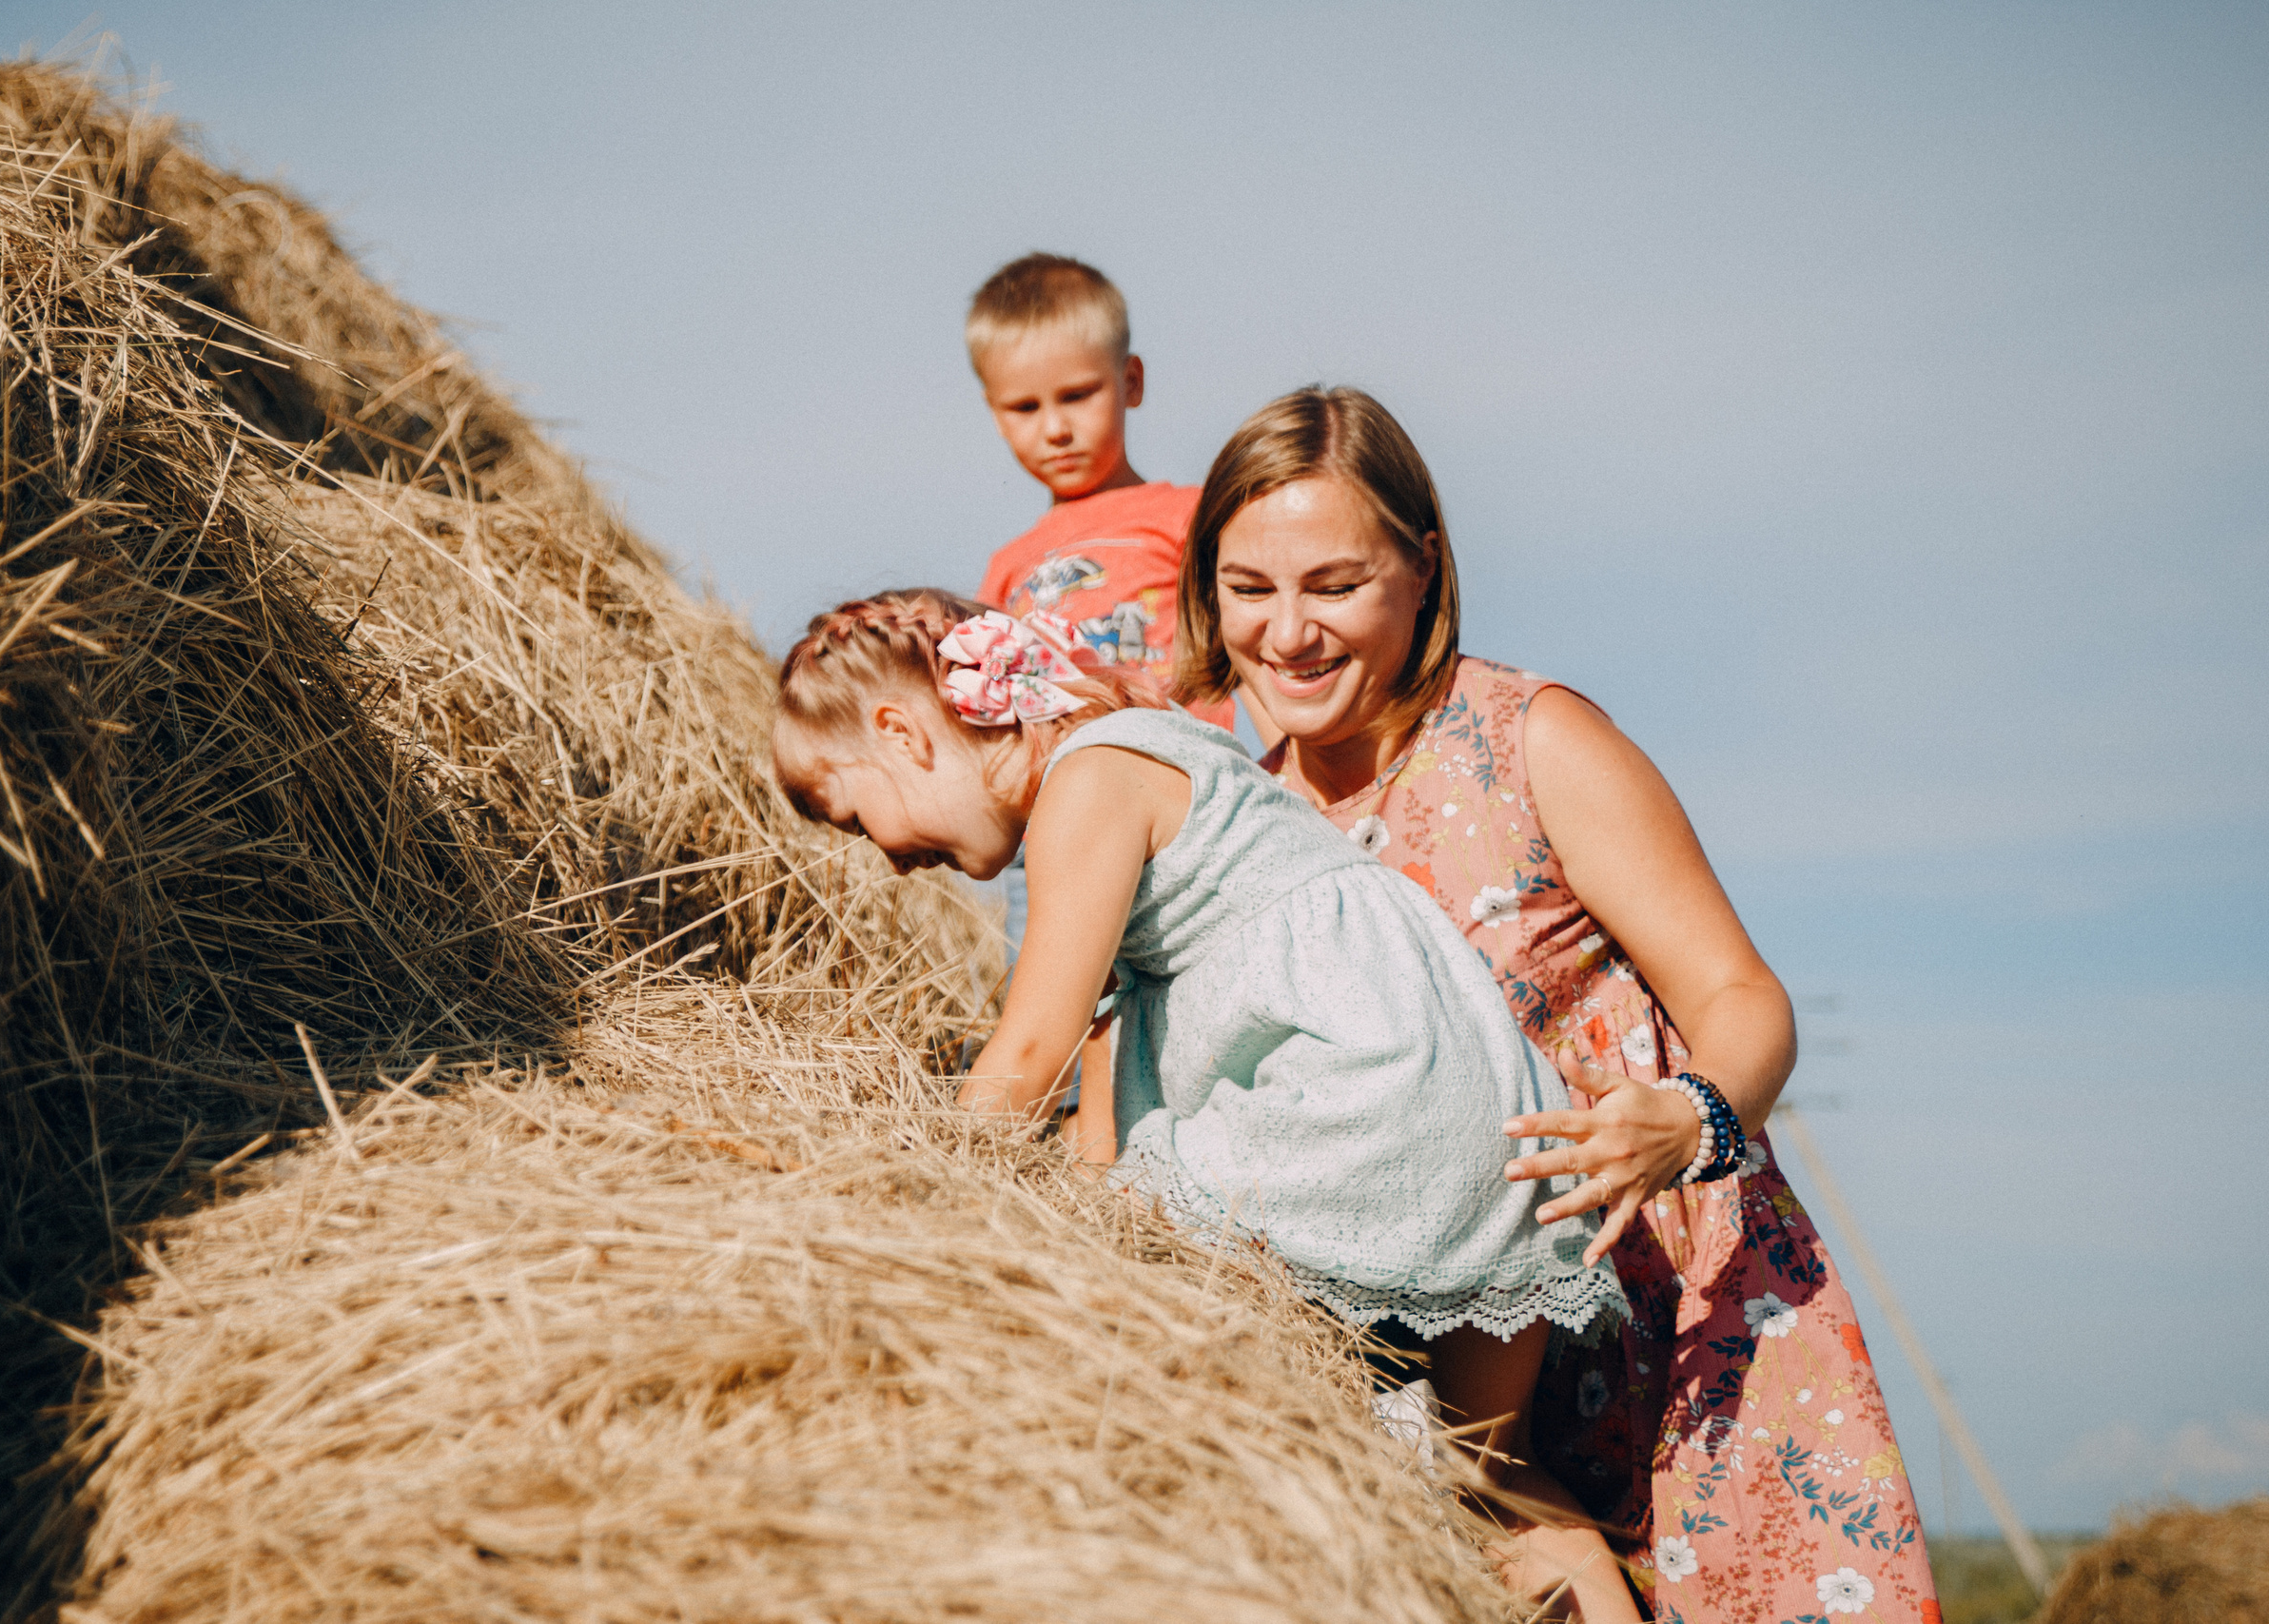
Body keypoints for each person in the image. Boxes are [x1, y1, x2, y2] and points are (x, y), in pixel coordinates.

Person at [1170, 385, 1940, 1621]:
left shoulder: (1532, 738)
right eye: (1249, 586)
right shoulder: (1237, 823)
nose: (1289, 630)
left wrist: (1688, 1117)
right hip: (1444, 1370)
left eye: (1335, 582)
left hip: (1675, 1316)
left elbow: (1743, 995)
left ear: (1423, 568)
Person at [772, 589, 1640, 1621]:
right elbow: (1105, 1053)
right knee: (1487, 1469)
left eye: (851, 813)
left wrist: (913, 1200)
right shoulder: (1146, 752)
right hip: (1478, 1112)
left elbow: (1035, 1046)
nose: (881, 855)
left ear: (902, 733)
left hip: (1356, 1103)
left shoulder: (1086, 788)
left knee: (1173, 1350)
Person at [964, 253, 1259, 1158]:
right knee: (1070, 989)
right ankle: (1086, 1181)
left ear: (1129, 382)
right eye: (1025, 408)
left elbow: (1246, 641)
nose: (1054, 427)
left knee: (1164, 999)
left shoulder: (1185, 515)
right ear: (993, 409)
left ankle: (1134, 1161)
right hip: (1061, 812)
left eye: (1078, 395)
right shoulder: (1010, 566)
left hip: (1173, 800)